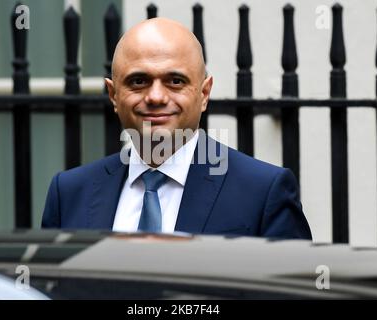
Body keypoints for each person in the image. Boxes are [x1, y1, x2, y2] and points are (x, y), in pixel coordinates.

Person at [42, 17, 312, 240]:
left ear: (204, 93)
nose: (156, 97)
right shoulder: (69, 193)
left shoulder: (263, 192)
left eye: (175, 81)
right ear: (113, 95)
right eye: (138, 81)